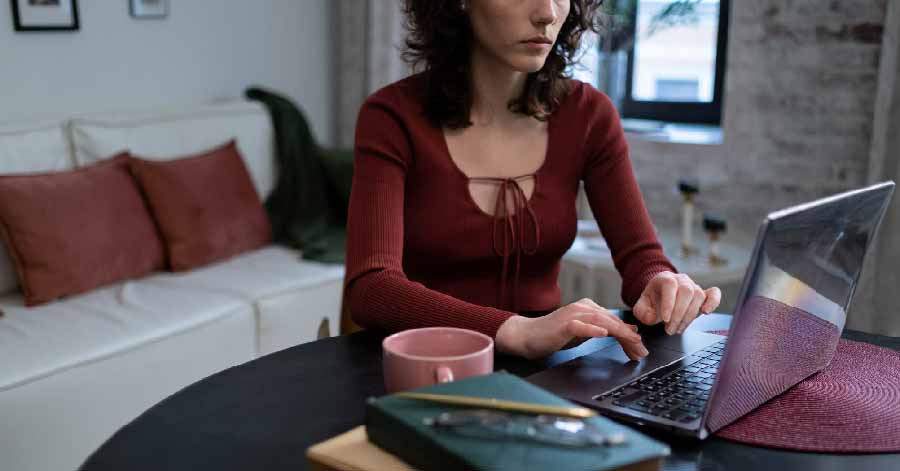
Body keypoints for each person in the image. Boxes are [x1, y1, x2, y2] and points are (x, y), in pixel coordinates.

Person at [344, 0, 721, 360]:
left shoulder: (589, 115)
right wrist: (515, 330)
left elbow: (641, 258)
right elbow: (372, 286)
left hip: (545, 370)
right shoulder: (392, 117)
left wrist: (661, 284)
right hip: (421, 364)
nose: (546, 14)